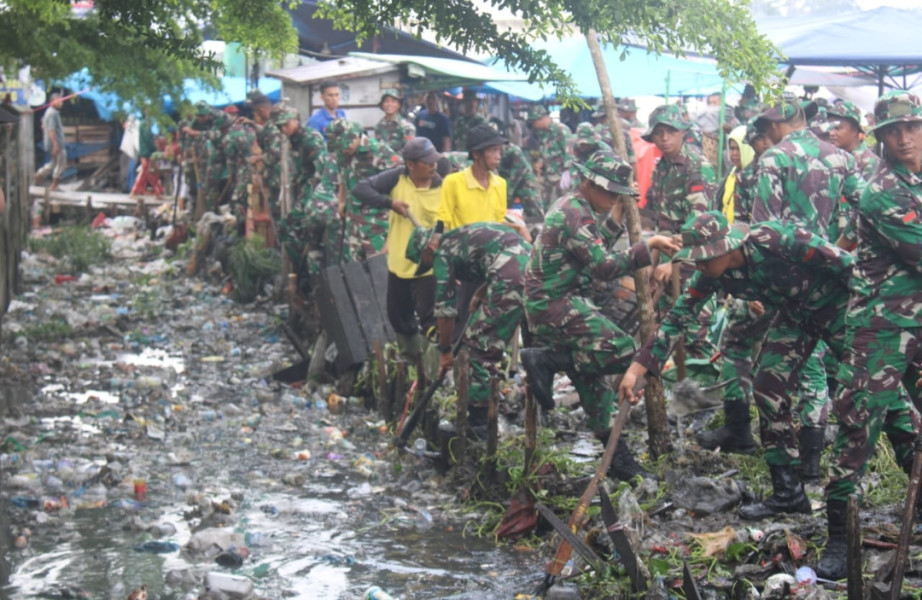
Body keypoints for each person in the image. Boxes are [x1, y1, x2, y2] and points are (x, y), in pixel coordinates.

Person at [618, 211, 856, 518]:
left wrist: (878, 319)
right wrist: (636, 370)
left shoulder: (777, 239)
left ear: (726, 246)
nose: (700, 266)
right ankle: (788, 493)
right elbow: (679, 317)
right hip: (796, 317)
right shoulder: (712, 274)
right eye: (696, 260)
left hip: (838, 309)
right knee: (768, 388)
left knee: (873, 389)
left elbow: (846, 265)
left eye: (704, 259)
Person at [520, 151, 680, 482]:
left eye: (616, 195)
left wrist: (621, 216)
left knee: (593, 385)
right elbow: (604, 266)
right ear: (590, 184)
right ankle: (548, 360)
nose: (612, 199)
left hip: (556, 303)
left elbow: (595, 248)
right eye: (609, 193)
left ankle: (617, 460)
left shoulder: (579, 208)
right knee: (625, 350)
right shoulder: (573, 213)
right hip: (554, 304)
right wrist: (648, 244)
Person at [816, 91, 922, 580]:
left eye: (913, 128)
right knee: (858, 427)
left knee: (910, 422)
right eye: (894, 131)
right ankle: (840, 534)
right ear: (878, 138)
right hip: (880, 327)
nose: (904, 138)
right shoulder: (881, 190)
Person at [405, 221, 532, 436]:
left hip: (511, 277)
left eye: (425, 261)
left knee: (480, 348)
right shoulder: (462, 235)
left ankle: (479, 425)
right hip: (534, 268)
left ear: (428, 249)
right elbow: (502, 252)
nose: (430, 267)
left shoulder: (442, 254)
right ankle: (537, 408)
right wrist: (483, 291)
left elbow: (445, 311)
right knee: (534, 342)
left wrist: (445, 351)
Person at [351, 137, 444, 360]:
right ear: (410, 165)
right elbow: (360, 189)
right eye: (427, 162)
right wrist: (390, 203)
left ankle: (435, 367)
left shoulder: (443, 184)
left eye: (434, 161)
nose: (433, 166)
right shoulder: (397, 178)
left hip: (428, 264)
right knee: (399, 316)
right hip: (400, 261)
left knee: (429, 317)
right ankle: (411, 360)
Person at [643, 103, 718, 360]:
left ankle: (711, 395)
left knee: (697, 336)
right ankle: (679, 394)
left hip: (696, 264)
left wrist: (675, 261)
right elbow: (660, 223)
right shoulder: (661, 169)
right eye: (659, 133)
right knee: (670, 335)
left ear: (682, 133)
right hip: (668, 265)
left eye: (670, 131)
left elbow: (700, 225)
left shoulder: (697, 166)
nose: (664, 138)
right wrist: (654, 263)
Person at [326, 119, 401, 263]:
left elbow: (401, 181)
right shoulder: (343, 153)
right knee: (356, 272)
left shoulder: (378, 151)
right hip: (353, 222)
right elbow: (343, 175)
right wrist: (341, 202)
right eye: (340, 148)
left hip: (377, 223)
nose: (344, 150)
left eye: (346, 146)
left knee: (379, 270)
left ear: (357, 136)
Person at [524, 104, 573, 209]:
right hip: (548, 176)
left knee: (564, 205)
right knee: (546, 205)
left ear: (541, 119)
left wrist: (567, 171)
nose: (533, 125)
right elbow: (545, 151)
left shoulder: (561, 130)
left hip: (561, 176)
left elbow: (569, 153)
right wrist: (540, 163)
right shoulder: (542, 133)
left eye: (534, 122)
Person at [828, 100, 880, 180]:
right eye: (830, 128)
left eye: (837, 128)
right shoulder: (833, 156)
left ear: (855, 130)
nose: (831, 133)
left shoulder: (869, 163)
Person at [35, 93, 67, 190]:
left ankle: (39, 174)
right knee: (61, 163)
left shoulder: (49, 112)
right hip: (56, 144)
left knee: (53, 163)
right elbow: (51, 130)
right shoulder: (53, 113)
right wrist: (56, 145)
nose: (62, 102)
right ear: (53, 102)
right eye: (59, 100)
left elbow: (43, 123)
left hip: (50, 143)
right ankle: (54, 185)